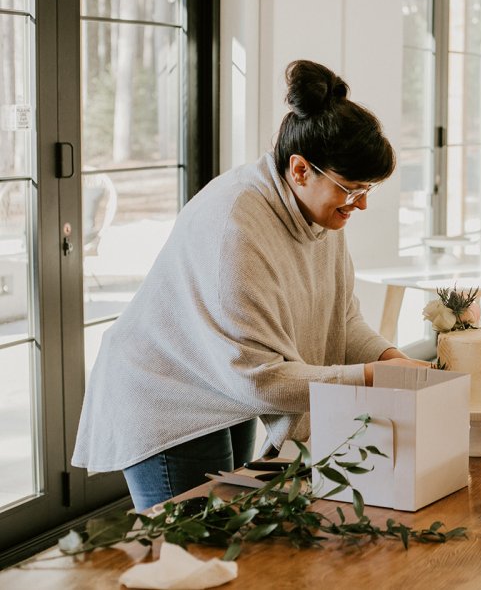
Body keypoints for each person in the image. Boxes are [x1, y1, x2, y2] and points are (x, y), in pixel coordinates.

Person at [73, 60, 431, 511]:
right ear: (300, 170)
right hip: (167, 391)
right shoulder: (236, 226)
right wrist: (366, 377)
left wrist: (388, 357)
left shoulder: (317, 216)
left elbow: (341, 316)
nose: (359, 204)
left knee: (234, 527)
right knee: (191, 550)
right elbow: (256, 378)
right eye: (351, 188)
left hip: (225, 382)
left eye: (367, 189)